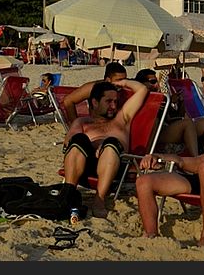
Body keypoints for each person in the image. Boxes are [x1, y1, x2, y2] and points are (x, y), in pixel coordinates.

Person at [60, 77, 149, 218]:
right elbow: (69, 140)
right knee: (78, 139)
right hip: (85, 166)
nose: (113, 106)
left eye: (115, 101)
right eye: (108, 101)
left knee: (111, 144)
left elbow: (142, 90)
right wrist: (95, 146)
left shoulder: (122, 118)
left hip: (115, 166)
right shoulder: (83, 122)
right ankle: (69, 193)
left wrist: (123, 83)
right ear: (95, 102)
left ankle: (99, 199)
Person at [137, 68, 204, 157]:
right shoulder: (142, 98)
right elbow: (152, 117)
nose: (156, 85)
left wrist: (180, 103)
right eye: (153, 81)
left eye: (156, 81)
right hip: (157, 131)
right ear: (142, 83)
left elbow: (176, 116)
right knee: (187, 123)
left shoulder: (159, 97)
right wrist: (168, 101)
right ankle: (195, 158)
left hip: (169, 127)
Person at [61, 62, 127, 124]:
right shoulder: (93, 88)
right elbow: (68, 100)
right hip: (97, 127)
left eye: (125, 79)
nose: (123, 83)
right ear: (108, 80)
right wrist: (75, 124)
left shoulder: (125, 88)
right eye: (119, 80)